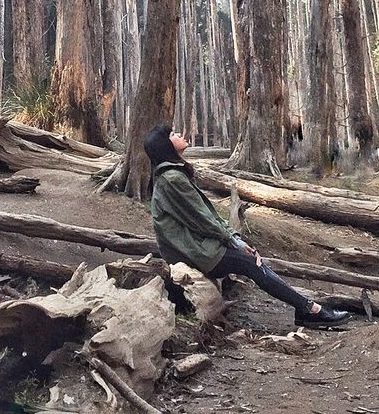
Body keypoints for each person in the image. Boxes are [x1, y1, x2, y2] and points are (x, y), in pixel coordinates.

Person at [143, 124, 350, 328]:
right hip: (194, 251)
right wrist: (234, 240)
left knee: (254, 261)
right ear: (166, 146)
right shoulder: (172, 179)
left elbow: (203, 217)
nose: (179, 133)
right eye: (172, 134)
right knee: (252, 263)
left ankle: (307, 307)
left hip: (195, 247)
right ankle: (308, 309)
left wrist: (233, 237)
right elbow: (201, 219)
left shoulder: (171, 176)